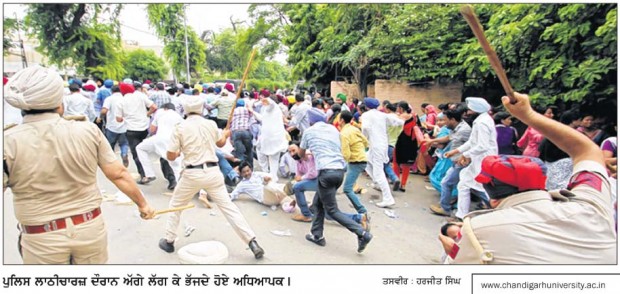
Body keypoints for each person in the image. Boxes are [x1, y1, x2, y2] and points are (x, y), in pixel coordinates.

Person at [3, 65, 155, 264]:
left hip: (41, 237)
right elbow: (118, 174)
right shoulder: (88, 131)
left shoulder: (8, 141)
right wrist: (143, 205)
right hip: (89, 229)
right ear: (59, 101)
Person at [447, 92, 616, 264]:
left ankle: (461, 212)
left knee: (466, 185)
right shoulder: (592, 205)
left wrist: (528, 115)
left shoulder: (478, 230)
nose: (467, 111)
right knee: (464, 185)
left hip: (481, 160)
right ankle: (460, 211)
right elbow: (587, 150)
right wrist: (528, 115)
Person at [159, 95, 265, 259]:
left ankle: (169, 240)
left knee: (176, 205)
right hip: (213, 173)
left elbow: (171, 156)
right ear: (202, 109)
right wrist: (225, 134)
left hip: (191, 174)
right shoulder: (210, 124)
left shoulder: (180, 127)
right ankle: (252, 242)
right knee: (229, 208)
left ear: (185, 110)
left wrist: (180, 150)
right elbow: (221, 143)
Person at [300, 108, 372, 253]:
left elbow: (302, 153)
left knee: (332, 210)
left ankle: (362, 233)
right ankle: (317, 235)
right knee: (317, 204)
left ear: (310, 121)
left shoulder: (309, 132)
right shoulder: (333, 130)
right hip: (339, 171)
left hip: (326, 172)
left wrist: (307, 153)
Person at [443, 98, 497, 219]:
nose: (467, 113)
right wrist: (456, 151)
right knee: (464, 184)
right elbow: (472, 142)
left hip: (484, 160)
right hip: (479, 159)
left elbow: (482, 145)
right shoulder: (481, 120)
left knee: (483, 189)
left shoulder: (482, 123)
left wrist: (465, 155)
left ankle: (499, 211)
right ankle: (461, 215)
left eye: (469, 110)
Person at [428, 107, 472, 216]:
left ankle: (446, 207)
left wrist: (460, 155)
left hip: (462, 162)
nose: (444, 123)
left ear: (452, 119)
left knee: (447, 183)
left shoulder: (464, 130)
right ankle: (447, 205)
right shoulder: (457, 128)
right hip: (457, 161)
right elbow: (449, 137)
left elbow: (470, 146)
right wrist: (432, 141)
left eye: (445, 120)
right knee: (454, 184)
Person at [361, 98, 405, 207]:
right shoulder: (383, 115)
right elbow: (399, 122)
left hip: (376, 145)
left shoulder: (367, 115)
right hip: (382, 144)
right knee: (365, 160)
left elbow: (365, 128)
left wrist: (364, 139)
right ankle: (378, 183)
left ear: (366, 106)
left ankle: (388, 198)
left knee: (378, 172)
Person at [116, 83, 158, 184]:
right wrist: (146, 115)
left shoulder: (121, 101)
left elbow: (118, 119)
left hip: (131, 130)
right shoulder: (141, 95)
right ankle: (148, 171)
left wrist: (124, 118)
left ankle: (144, 175)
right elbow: (154, 107)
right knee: (143, 150)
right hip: (144, 129)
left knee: (136, 153)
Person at [136, 103, 183, 190]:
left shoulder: (160, 112)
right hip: (172, 140)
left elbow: (152, 130)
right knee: (175, 164)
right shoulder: (178, 116)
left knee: (140, 148)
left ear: (165, 108)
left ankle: (149, 174)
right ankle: (178, 184)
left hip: (158, 138)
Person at [249, 90, 289, 182]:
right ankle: (270, 175)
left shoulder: (273, 106)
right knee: (269, 155)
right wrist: (252, 110)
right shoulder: (268, 111)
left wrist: (260, 101)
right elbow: (262, 118)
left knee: (271, 156)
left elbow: (270, 103)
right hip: (271, 137)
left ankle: (270, 175)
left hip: (272, 137)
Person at [339, 111, 370, 218]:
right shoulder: (354, 129)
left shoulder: (344, 133)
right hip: (361, 159)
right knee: (348, 184)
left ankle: (362, 211)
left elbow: (346, 154)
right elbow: (366, 142)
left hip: (355, 161)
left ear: (342, 120)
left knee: (347, 188)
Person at [230, 162, 295, 208]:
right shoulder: (241, 185)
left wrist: (267, 178)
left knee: (271, 183)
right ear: (241, 174)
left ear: (251, 169)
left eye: (248, 170)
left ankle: (289, 193)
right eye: (244, 172)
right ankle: (286, 189)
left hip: (275, 195)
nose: (247, 173)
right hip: (266, 199)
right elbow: (233, 195)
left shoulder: (257, 174)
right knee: (267, 186)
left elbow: (270, 175)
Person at [101, 85, 130, 167]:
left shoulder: (109, 99)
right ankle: (124, 154)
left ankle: (112, 162)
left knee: (110, 145)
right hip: (124, 126)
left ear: (112, 91)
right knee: (124, 143)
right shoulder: (125, 99)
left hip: (111, 126)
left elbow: (104, 111)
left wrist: (100, 117)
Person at [392, 101, 417, 192]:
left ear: (401, 108)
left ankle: (396, 180)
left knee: (396, 162)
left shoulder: (402, 116)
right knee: (406, 164)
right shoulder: (414, 116)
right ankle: (403, 185)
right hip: (411, 142)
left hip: (401, 141)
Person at [229, 99, 254, 167]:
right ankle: (250, 168)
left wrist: (230, 138)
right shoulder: (247, 110)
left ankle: (242, 169)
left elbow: (230, 123)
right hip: (246, 131)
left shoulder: (232, 111)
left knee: (239, 153)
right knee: (249, 151)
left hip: (236, 132)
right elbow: (251, 117)